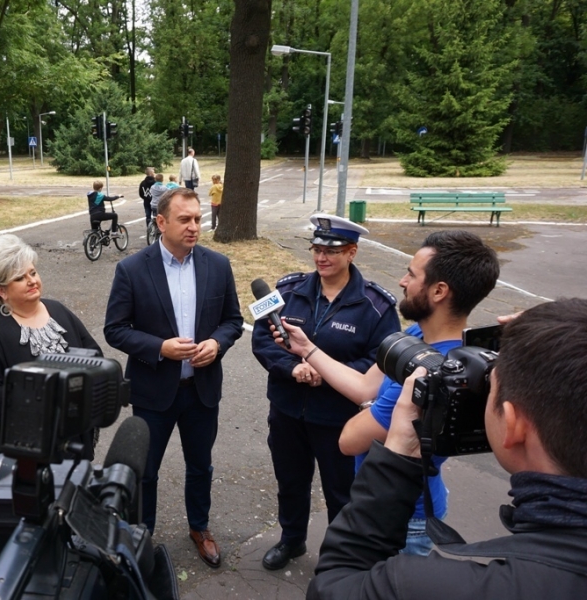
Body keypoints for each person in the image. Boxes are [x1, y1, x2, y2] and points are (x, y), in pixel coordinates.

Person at [308, 298, 587, 599]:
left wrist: (399, 451)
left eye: (489, 387)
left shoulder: (419, 586)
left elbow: (333, 586)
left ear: (513, 425)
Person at [279, 230, 500, 556]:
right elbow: (363, 386)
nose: (402, 281)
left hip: (403, 520)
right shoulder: (417, 335)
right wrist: (307, 349)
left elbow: (349, 440)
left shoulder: (437, 372)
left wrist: (373, 407)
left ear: (439, 291)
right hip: (387, 497)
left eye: (412, 275)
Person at [251, 214, 400, 571]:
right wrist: (292, 367)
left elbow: (380, 360)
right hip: (288, 411)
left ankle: (339, 557)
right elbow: (262, 339)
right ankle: (292, 540)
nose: (321, 258)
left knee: (341, 492)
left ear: (352, 253)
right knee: (290, 481)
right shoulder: (288, 291)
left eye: (332, 251)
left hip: (339, 419)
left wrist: (327, 373)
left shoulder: (376, 306)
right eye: (317, 249)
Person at [104, 187, 243, 569]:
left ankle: (199, 527)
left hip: (201, 391)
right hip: (153, 392)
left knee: (200, 466)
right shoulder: (132, 269)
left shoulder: (218, 265)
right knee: (145, 471)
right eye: (185, 219)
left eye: (198, 218)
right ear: (161, 222)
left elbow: (233, 320)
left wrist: (217, 343)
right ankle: (141, 535)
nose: (194, 226)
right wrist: (159, 347)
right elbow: (115, 329)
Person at [0, 234, 102, 572]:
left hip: (71, 448)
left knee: (71, 529)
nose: (32, 281)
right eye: (20, 278)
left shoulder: (59, 311)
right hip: (22, 466)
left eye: (33, 272)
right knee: (23, 547)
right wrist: (52, 408)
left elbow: (94, 356)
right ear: (1, 290)